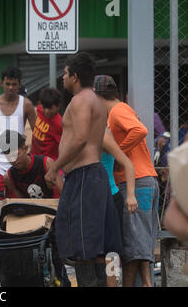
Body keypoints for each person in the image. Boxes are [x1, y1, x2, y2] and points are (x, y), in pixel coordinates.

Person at [44, 53, 123, 287]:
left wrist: (54, 168)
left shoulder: (80, 101)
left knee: (83, 248)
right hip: (94, 176)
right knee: (98, 247)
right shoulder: (97, 101)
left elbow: (79, 139)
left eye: (66, 73)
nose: (63, 78)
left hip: (84, 177)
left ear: (75, 76)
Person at [93, 75, 159, 287]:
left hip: (137, 182)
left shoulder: (117, 111)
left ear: (98, 97)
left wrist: (118, 153)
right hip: (144, 180)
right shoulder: (122, 110)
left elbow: (140, 131)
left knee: (133, 245)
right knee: (140, 243)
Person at [0, 67, 36, 207]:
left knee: (16, 202)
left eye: (14, 84)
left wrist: (34, 158)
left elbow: (37, 133)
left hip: (17, 160)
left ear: (20, 84)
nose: (11, 87)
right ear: (2, 83)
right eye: (8, 84)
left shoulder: (26, 104)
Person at [101, 128, 137, 287]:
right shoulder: (80, 133)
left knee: (111, 252)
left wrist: (131, 195)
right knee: (96, 250)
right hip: (91, 200)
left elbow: (127, 164)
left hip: (109, 198)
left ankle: (112, 284)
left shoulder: (102, 133)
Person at [1, 129, 62, 199]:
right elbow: (21, 202)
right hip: (30, 208)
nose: (13, 160)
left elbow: (62, 194)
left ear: (25, 149)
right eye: (9, 157)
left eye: (16, 155)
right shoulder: (9, 177)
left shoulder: (46, 164)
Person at [30, 88, 63, 160]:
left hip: (47, 163)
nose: (47, 111)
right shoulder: (39, 110)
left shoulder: (59, 125)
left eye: (50, 108)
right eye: (44, 107)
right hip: (34, 158)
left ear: (58, 106)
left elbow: (63, 148)